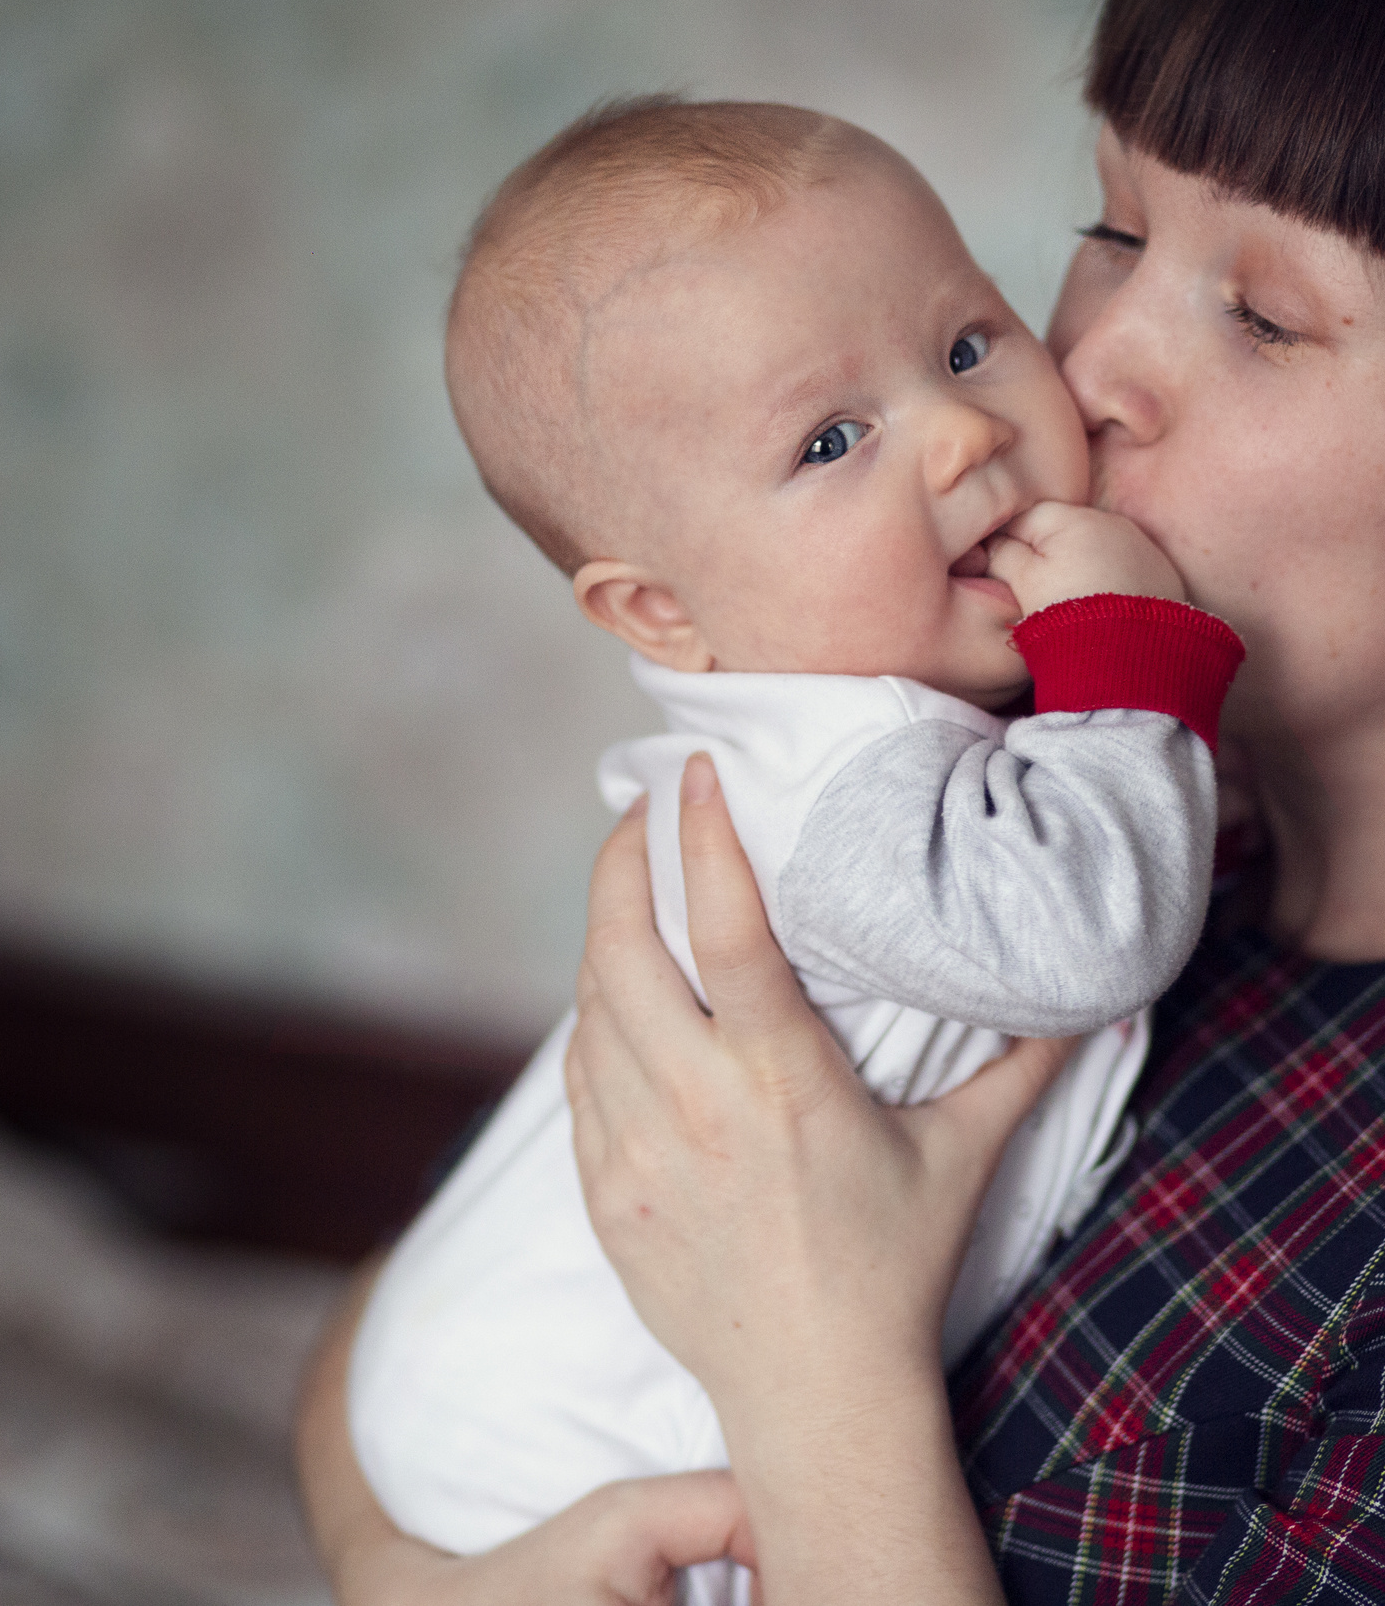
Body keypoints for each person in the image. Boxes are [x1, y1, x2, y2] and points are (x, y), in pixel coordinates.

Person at [297, 0, 1385, 1598]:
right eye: (1112, 226)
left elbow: (731, 1284)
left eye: (1268, 319)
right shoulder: (1086, 799)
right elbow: (431, 1288)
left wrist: (813, 1363)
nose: (1094, 367)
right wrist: (412, 1576)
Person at [345, 98, 1244, 1606]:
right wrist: (1134, 663)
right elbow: (1085, 928)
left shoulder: (873, 720)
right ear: (659, 613)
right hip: (559, 1431)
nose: (964, 429)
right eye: (831, 440)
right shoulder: (825, 783)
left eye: (964, 343)